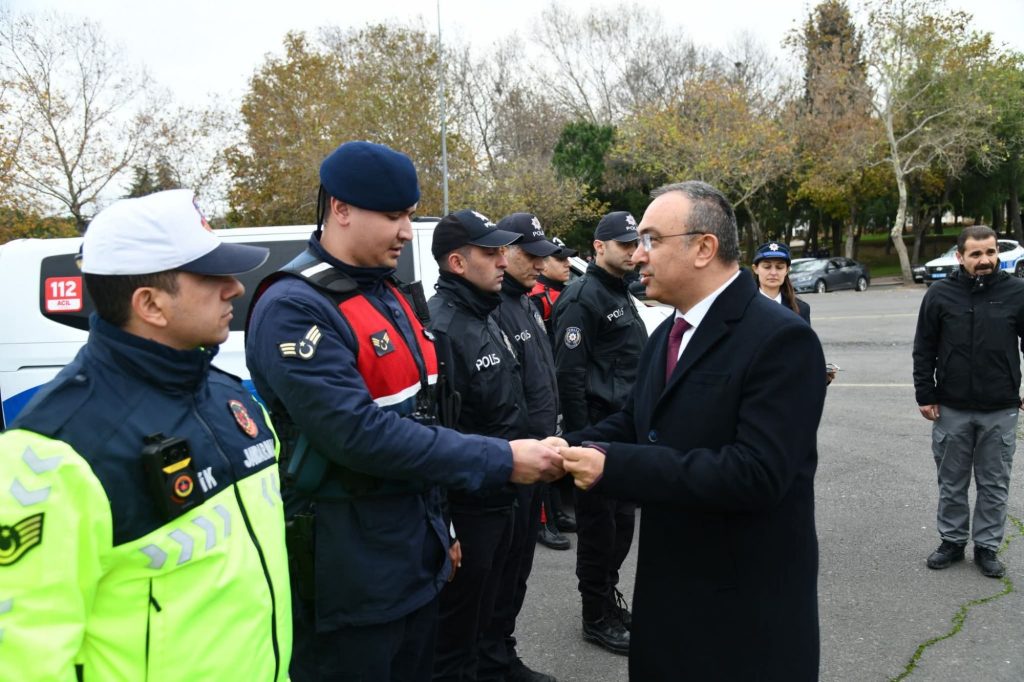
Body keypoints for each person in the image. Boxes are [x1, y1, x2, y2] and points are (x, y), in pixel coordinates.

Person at [245, 141, 563, 681]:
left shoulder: (385, 294)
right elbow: (359, 434)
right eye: (393, 216)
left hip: (413, 556)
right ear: (340, 209)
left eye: (409, 216)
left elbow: (426, 416)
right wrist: (502, 459)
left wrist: (443, 527)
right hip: (350, 572)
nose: (404, 232)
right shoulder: (295, 307)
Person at [0, 189, 292, 681]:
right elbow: (25, 659)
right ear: (151, 304)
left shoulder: (229, 398)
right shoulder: (53, 451)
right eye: (210, 276)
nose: (236, 289)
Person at [559, 180, 826, 681]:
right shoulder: (669, 332)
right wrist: (564, 451)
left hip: (741, 609)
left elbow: (756, 473)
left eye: (652, 240)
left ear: (704, 248)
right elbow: (639, 422)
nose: (639, 255)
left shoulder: (781, 339)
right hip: (671, 590)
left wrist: (612, 466)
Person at [425, 209, 530, 681]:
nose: (503, 261)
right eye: (490, 252)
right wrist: (445, 525)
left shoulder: (484, 313)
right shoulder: (443, 326)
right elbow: (437, 434)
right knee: (455, 637)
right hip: (469, 507)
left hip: (501, 493)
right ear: (457, 263)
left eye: (503, 250)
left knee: (487, 618)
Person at [550, 210, 648, 656]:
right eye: (624, 243)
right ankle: (595, 616)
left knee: (622, 526)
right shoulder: (581, 297)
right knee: (598, 532)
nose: (633, 250)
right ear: (598, 247)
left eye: (636, 243)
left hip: (624, 434)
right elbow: (569, 376)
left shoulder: (620, 292)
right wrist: (580, 441)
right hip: (596, 433)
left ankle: (608, 599)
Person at [912, 225, 1024, 579]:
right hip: (952, 408)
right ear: (960, 257)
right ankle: (952, 541)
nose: (985, 260)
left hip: (1000, 408)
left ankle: (987, 547)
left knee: (994, 483)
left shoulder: (1017, 293)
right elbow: (924, 348)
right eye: (976, 254)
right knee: (952, 481)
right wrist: (925, 394)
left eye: (990, 252)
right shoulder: (940, 295)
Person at [490, 212, 564, 682]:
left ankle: (502, 652)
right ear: (504, 251)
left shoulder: (528, 303)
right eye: (530, 255)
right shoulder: (493, 306)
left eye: (543, 255)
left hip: (535, 461)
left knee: (517, 570)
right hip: (509, 464)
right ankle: (490, 660)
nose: (540, 263)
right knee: (495, 576)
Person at [529, 238, 580, 541]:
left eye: (567, 259)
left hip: (555, 381)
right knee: (544, 449)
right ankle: (544, 522)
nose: (567, 265)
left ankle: (558, 514)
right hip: (544, 384)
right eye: (560, 259)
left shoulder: (562, 293)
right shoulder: (536, 295)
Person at [752, 241, 810, 322]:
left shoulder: (800, 309)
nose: (773, 273)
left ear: (787, 270)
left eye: (779, 267)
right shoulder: (743, 308)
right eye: (767, 267)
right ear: (756, 269)